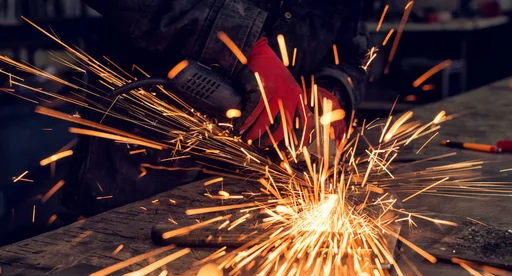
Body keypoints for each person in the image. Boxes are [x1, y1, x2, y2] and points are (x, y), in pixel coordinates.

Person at [63, 0, 369, 217]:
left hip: (261, 194)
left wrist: (334, 88)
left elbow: (353, 51)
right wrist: (243, 45)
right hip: (142, 174)